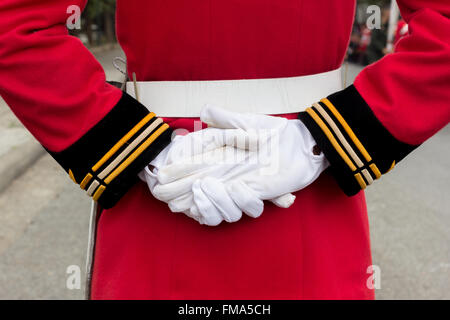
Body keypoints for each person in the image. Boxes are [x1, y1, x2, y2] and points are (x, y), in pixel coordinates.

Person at [0, 0, 449, 300]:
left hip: (164, 190)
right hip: (308, 194)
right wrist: (321, 141)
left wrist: (141, 151)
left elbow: (16, 27)